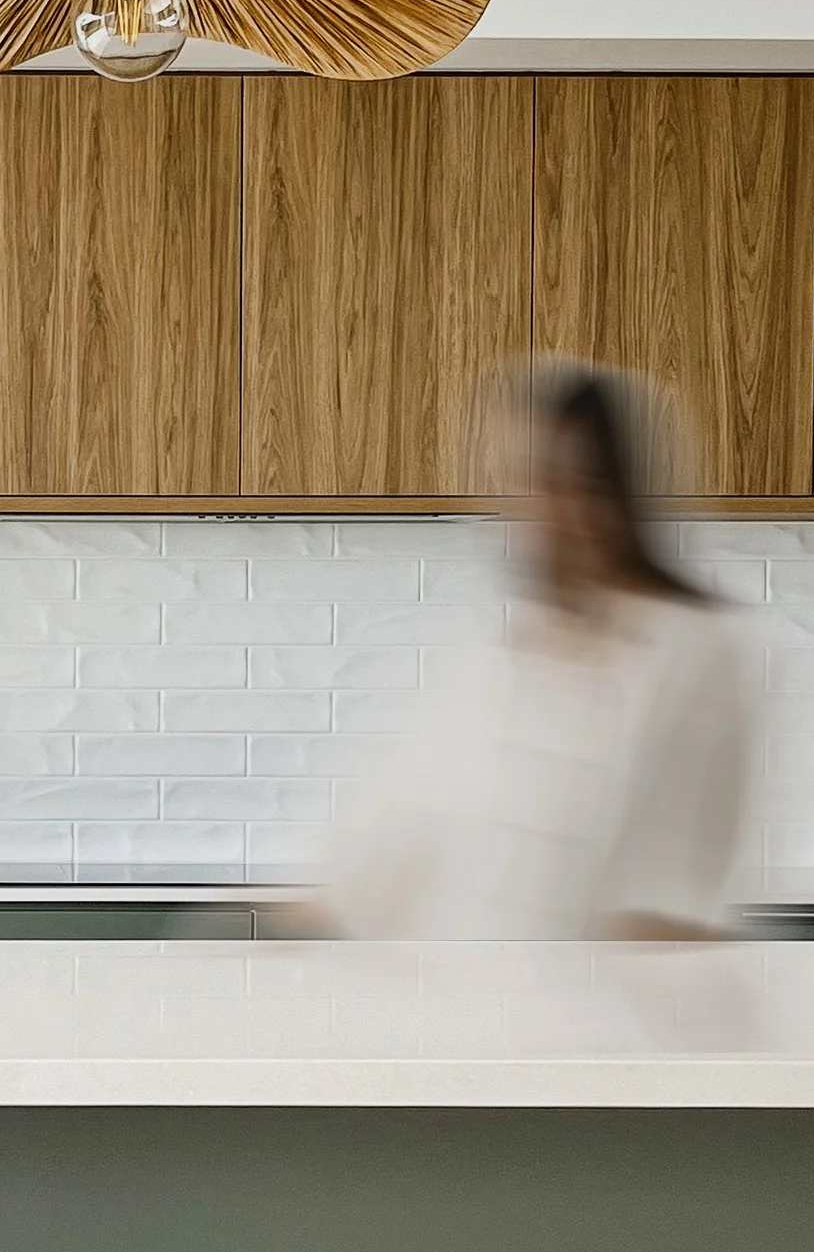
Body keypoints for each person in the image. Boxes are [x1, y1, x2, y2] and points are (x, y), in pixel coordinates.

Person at [323, 362, 759, 941]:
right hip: (489, 1010)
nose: (533, 506)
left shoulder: (691, 653)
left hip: (620, 1016)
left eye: (561, 481)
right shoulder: (507, 655)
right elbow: (402, 831)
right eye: (521, 479)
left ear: (614, 493)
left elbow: (674, 898)